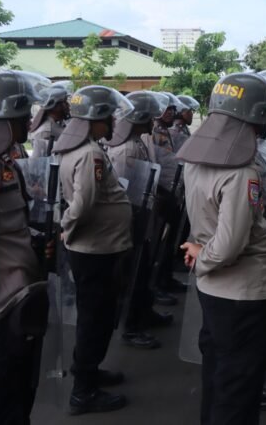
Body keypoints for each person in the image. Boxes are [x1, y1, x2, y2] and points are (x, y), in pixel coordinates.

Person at [178, 72, 266, 425]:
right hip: (243, 294)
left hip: (213, 290)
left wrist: (200, 253)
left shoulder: (195, 162)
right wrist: (203, 259)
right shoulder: (242, 173)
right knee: (238, 386)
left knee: (218, 374)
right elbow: (229, 246)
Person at [0, 70, 51, 424]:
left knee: (17, 398)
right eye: (23, 114)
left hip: (13, 303)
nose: (29, 121)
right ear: (5, 119)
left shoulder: (2, 163)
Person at [53, 85, 134, 415]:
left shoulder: (82, 148)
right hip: (96, 250)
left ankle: (89, 370)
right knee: (94, 319)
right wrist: (67, 229)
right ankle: (83, 391)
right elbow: (83, 204)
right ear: (96, 118)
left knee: (96, 315)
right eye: (109, 116)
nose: (114, 122)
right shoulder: (90, 154)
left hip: (98, 247)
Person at [104, 91, 171, 351]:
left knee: (144, 271)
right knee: (133, 274)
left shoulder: (138, 141)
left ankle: (145, 312)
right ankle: (131, 327)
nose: (153, 122)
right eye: (149, 117)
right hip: (132, 220)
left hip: (144, 217)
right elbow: (123, 190)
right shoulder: (126, 149)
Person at [143, 92, 187, 305]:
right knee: (157, 244)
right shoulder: (151, 132)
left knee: (168, 242)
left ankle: (165, 278)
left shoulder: (165, 131)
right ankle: (155, 285)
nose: (170, 112)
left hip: (171, 191)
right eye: (166, 109)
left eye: (172, 109)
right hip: (160, 193)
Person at [29, 81, 70, 157]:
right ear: (54, 106)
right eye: (64, 101)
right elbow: (39, 160)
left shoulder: (59, 123)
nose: (68, 105)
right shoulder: (45, 132)